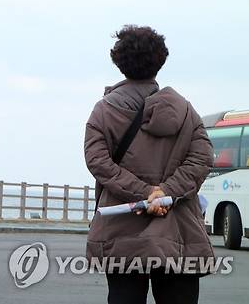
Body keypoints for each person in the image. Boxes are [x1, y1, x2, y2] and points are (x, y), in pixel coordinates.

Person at [85, 25, 214, 304]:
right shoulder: (186, 111)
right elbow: (202, 158)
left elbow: (98, 161)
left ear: (119, 63)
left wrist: (146, 193)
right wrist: (164, 193)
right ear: (160, 61)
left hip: (122, 229)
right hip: (178, 231)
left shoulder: (104, 110)